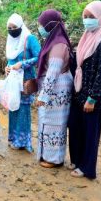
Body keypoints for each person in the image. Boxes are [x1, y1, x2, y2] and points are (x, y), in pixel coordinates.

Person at [68, 1, 101, 179]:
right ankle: (77, 160)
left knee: (89, 132)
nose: (87, 20)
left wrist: (93, 98)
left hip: (91, 96)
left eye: (91, 17)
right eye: (85, 17)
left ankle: (87, 167)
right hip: (79, 91)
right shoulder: (86, 36)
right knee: (75, 126)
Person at [35, 9, 74, 168]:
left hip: (56, 89)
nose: (40, 28)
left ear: (50, 25)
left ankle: (54, 159)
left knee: (55, 124)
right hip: (52, 89)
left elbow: (53, 71)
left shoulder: (58, 44)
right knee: (47, 122)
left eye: (42, 25)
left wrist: (43, 96)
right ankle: (46, 155)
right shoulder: (53, 41)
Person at [5, 13, 41, 153]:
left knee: (23, 111)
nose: (12, 30)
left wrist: (23, 64)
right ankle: (14, 137)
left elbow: (40, 57)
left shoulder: (29, 39)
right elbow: (11, 59)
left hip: (25, 81)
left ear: (20, 26)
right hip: (13, 81)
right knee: (13, 108)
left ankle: (23, 141)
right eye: (9, 27)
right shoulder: (10, 40)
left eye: (14, 27)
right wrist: (7, 67)